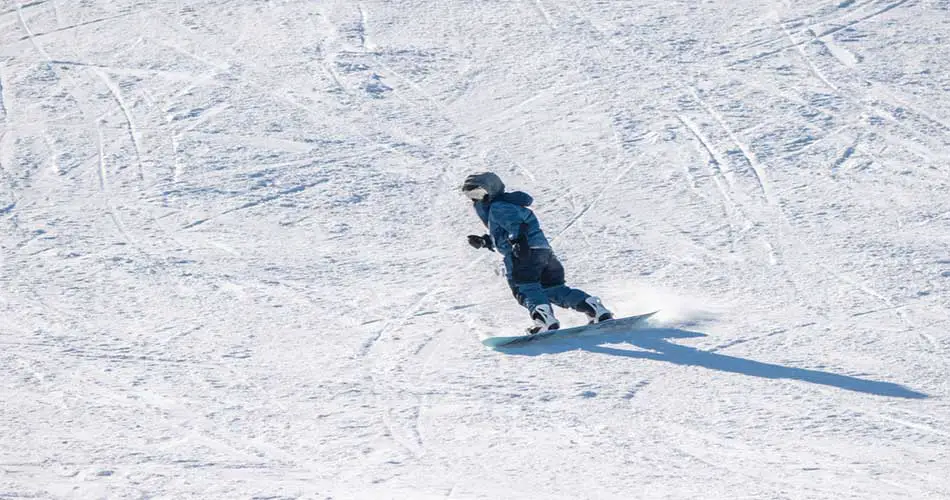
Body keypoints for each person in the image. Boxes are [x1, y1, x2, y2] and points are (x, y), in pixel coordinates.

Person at [461, 172, 614, 333]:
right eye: (470, 195)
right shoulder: (511, 205)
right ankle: (593, 308)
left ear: (491, 190)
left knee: (525, 288)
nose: (475, 199)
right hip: (543, 252)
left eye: (477, 193)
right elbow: (506, 232)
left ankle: (544, 320)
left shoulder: (499, 206)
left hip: (522, 254)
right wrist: (485, 241)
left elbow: (516, 225)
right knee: (554, 289)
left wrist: (519, 242)